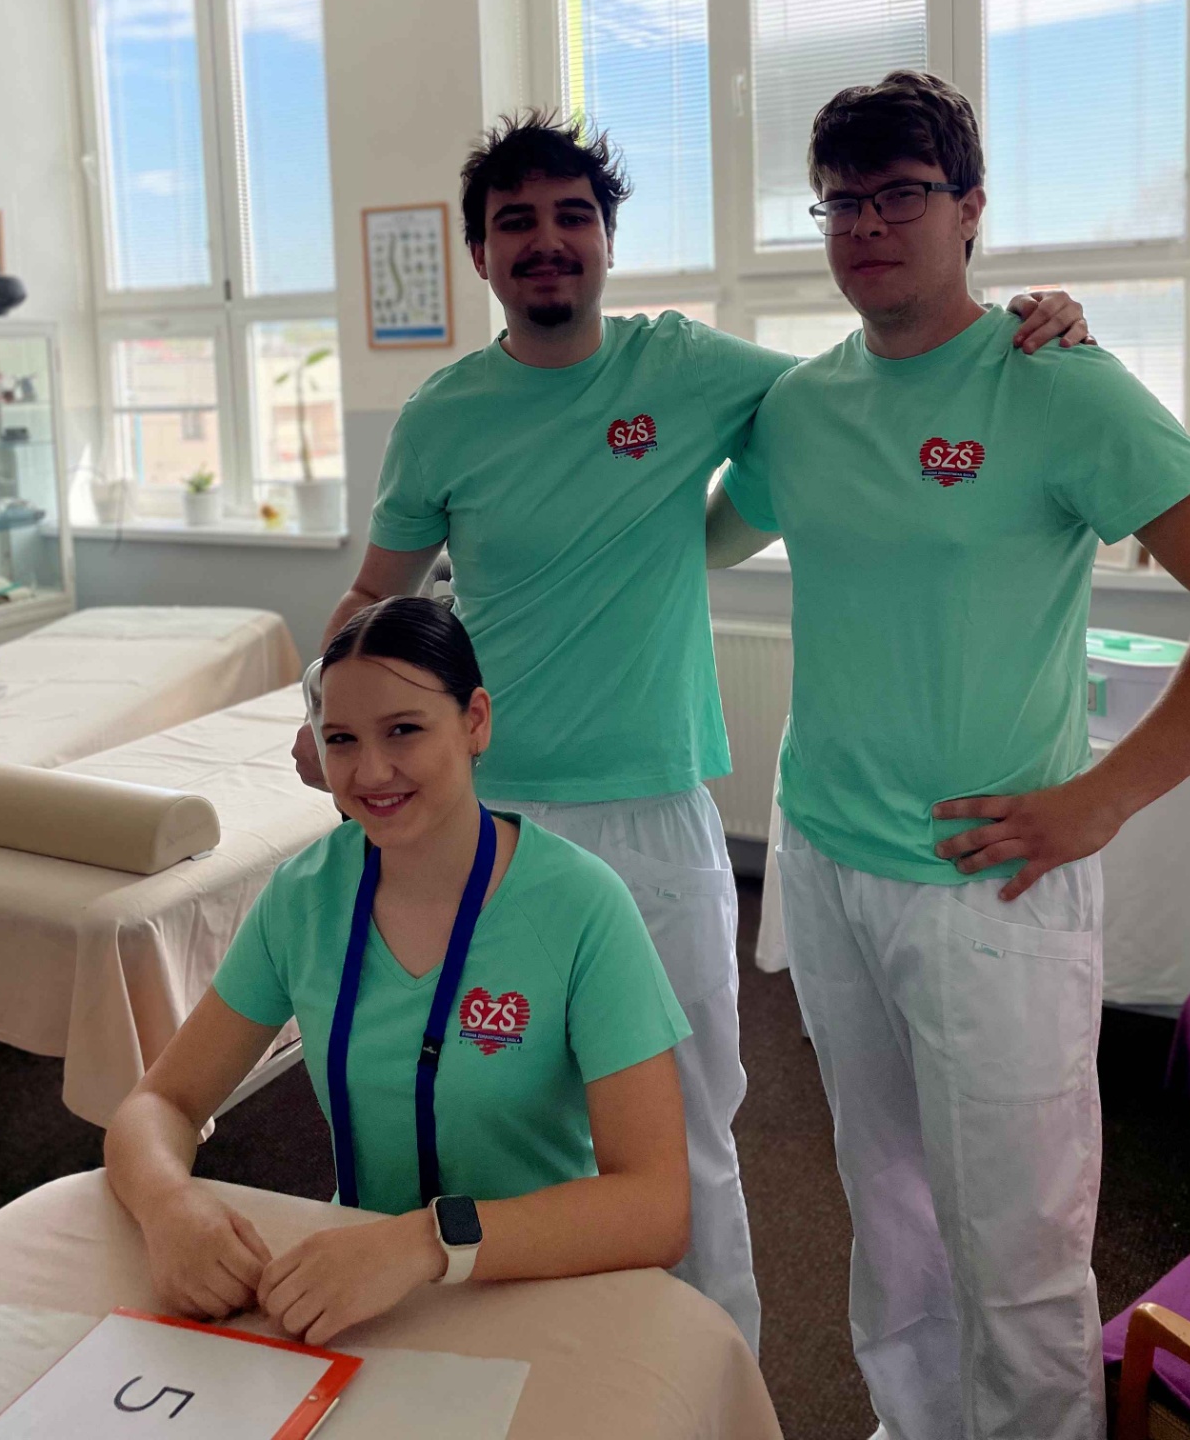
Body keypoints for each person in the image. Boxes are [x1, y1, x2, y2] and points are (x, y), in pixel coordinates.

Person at [291, 110, 1092, 1351]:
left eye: (573, 217)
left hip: (654, 815)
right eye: (516, 222)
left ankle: (713, 1392)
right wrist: (322, 710)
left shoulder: (689, 368)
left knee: (685, 1130)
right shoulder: (444, 414)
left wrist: (1027, 321)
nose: (547, 241)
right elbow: (374, 593)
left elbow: (875, 372)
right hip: (481, 821)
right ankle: (518, 1383)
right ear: (481, 254)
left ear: (609, 242)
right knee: (489, 1118)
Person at [706, 70, 1190, 1440]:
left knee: (1019, 1242)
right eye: (841, 202)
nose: (869, 225)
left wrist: (1106, 798)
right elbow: (692, 542)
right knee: (890, 1215)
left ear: (971, 208)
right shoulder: (799, 408)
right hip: (829, 859)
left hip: (992, 885)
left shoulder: (1057, 385)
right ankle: (917, 1424)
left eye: (902, 194)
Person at [106, 597, 691, 1346]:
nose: (371, 771)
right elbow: (160, 1101)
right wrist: (168, 1206)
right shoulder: (305, 897)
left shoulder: (581, 907)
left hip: (534, 1283)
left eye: (404, 730)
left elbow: (657, 1206)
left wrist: (427, 1243)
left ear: (475, 721)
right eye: (341, 740)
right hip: (359, 1295)